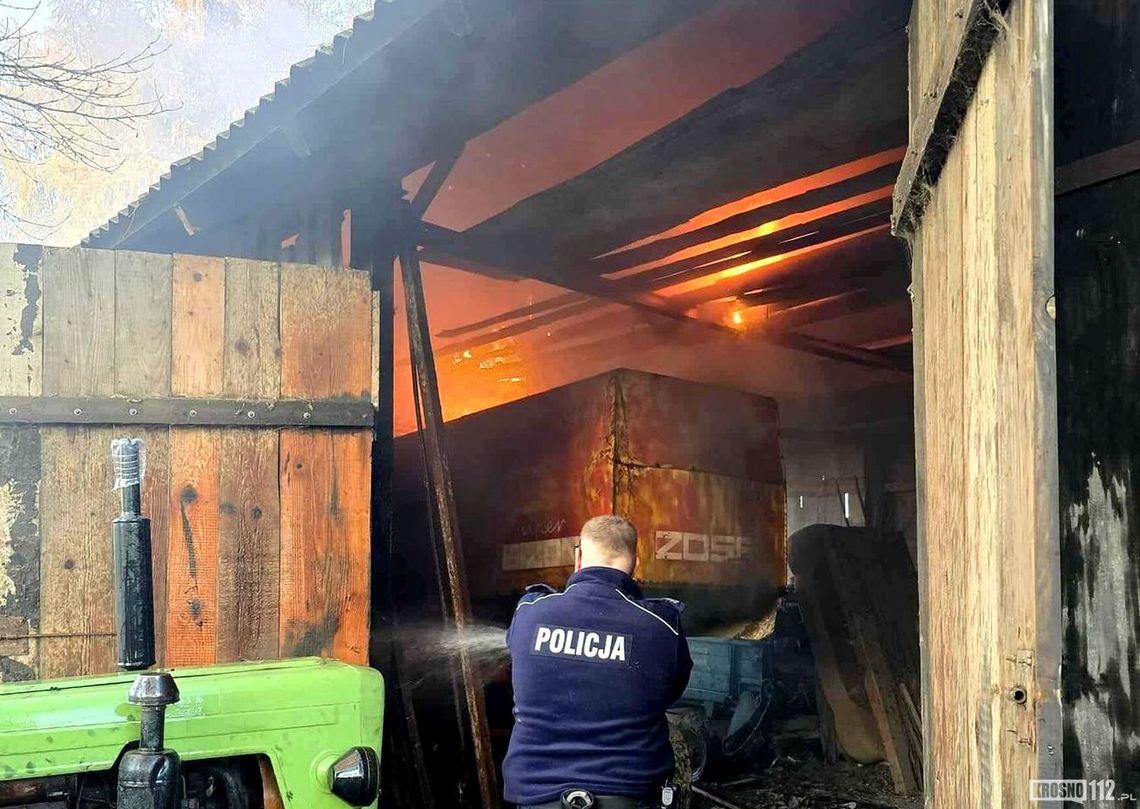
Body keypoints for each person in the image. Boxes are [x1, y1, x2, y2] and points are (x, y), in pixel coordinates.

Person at [503, 515, 693, 809]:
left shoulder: (529, 613)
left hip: (537, 797)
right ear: (636, 563)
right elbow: (671, 692)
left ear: (577, 557)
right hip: (631, 797)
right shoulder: (661, 626)